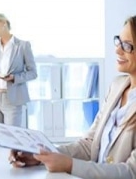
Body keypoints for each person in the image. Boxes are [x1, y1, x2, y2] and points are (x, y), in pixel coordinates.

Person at [9, 16, 136, 179]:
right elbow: (89, 145)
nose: (118, 50)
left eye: (127, 45)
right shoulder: (117, 86)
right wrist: (39, 154)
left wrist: (69, 165)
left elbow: (132, 172)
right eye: (118, 41)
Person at [0, 13, 37, 127]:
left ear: (4, 23)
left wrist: (15, 78)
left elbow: (33, 73)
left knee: (12, 137)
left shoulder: (22, 46)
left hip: (12, 99)